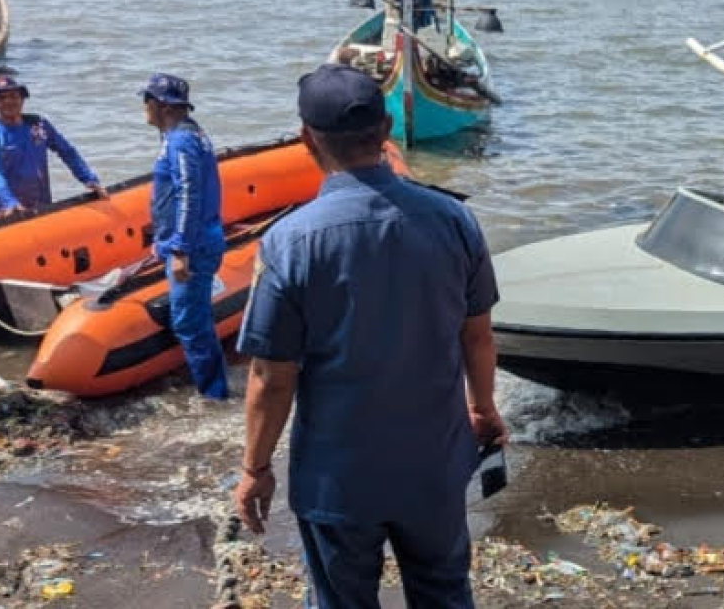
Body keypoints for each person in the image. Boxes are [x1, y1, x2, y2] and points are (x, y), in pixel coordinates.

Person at [233, 63, 506, 608]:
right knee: (445, 593)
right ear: (385, 131)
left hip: (340, 478)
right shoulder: (454, 220)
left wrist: (255, 470)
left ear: (307, 138)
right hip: (434, 464)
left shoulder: (290, 242)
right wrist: (483, 409)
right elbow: (477, 337)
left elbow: (271, 377)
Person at [141, 73, 228, 400]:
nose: (143, 108)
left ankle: (215, 396)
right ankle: (213, 388)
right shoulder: (187, 135)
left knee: (190, 324)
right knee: (194, 320)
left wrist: (179, 249)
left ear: (161, 106)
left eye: (146, 101)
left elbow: (189, 193)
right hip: (196, 239)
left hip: (195, 244)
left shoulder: (181, 141)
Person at [0, 74, 106, 220]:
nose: (9, 102)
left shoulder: (38, 125)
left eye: (13, 96)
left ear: (22, 99)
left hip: (39, 203)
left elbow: (67, 151)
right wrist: (9, 202)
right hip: (2, 208)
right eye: (1, 98)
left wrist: (89, 179)